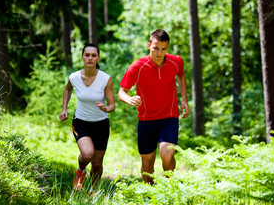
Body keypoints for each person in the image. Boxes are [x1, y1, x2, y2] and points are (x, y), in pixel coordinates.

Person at [118, 29, 190, 184]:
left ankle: (169, 189)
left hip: (169, 118)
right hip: (146, 119)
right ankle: (149, 194)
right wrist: (129, 99)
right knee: (147, 162)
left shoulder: (175, 61)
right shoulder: (137, 66)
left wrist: (184, 99)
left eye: (163, 49)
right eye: (156, 48)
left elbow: (181, 76)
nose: (159, 53)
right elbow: (121, 91)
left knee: (167, 155)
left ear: (167, 48)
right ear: (149, 45)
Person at [59, 43, 115, 193]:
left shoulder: (105, 79)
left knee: (97, 164)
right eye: (87, 55)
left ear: (98, 58)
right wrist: (64, 108)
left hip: (101, 124)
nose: (90, 58)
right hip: (81, 122)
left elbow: (112, 106)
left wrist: (106, 108)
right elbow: (67, 89)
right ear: (83, 57)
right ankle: (80, 171)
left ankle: (93, 190)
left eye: (93, 55)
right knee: (88, 154)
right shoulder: (74, 77)